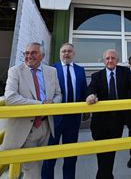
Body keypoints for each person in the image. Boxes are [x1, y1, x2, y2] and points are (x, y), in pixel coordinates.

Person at [86, 49, 131, 179]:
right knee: (101, 152)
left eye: (113, 58)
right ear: (103, 61)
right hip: (100, 121)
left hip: (117, 120)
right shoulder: (97, 76)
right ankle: (105, 175)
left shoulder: (124, 72)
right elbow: (91, 88)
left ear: (117, 60)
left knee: (110, 151)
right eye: (107, 58)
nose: (110, 60)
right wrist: (89, 95)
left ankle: (103, 176)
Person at [2, 42, 62, 179]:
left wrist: (53, 103)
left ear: (42, 56)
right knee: (32, 170)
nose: (29, 56)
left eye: (33, 53)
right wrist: (41, 104)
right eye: (26, 53)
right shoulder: (15, 71)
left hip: (46, 126)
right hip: (26, 128)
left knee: (40, 164)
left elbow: (59, 93)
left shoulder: (51, 71)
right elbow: (10, 98)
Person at [42, 43, 88, 179]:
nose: (66, 53)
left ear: (73, 53)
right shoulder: (51, 69)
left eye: (69, 51)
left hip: (73, 119)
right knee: (50, 155)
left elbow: (84, 90)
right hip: (54, 119)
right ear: (60, 53)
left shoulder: (80, 70)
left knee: (70, 155)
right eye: (64, 51)